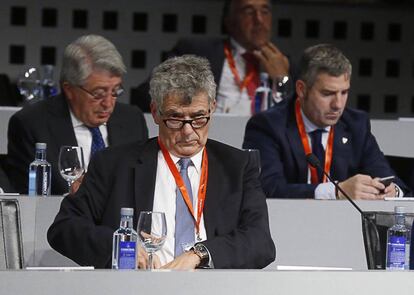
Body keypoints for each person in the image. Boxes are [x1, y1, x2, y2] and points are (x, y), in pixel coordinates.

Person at [47, 55, 275, 269]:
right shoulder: (114, 164)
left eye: (198, 118)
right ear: (155, 112)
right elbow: (65, 228)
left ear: (212, 108)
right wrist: (121, 245)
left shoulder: (237, 166)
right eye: (175, 118)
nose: (188, 132)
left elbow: (260, 241)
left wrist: (199, 254)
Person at [243, 44, 409, 199]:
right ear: (302, 90)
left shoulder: (356, 124)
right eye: (327, 93)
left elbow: (393, 180)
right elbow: (267, 189)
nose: (337, 105)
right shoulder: (267, 126)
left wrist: (392, 191)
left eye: (344, 92)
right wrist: (336, 191)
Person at [7, 35, 148, 195]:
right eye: (98, 93)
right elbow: (26, 199)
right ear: (69, 89)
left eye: (115, 91)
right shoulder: (31, 124)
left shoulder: (132, 120)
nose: (108, 104)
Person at [131, 0, 292, 115]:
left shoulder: (284, 62)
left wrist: (282, 79)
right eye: (248, 11)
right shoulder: (198, 51)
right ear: (229, 21)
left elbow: (298, 118)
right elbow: (145, 94)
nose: (259, 20)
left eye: (265, 11)